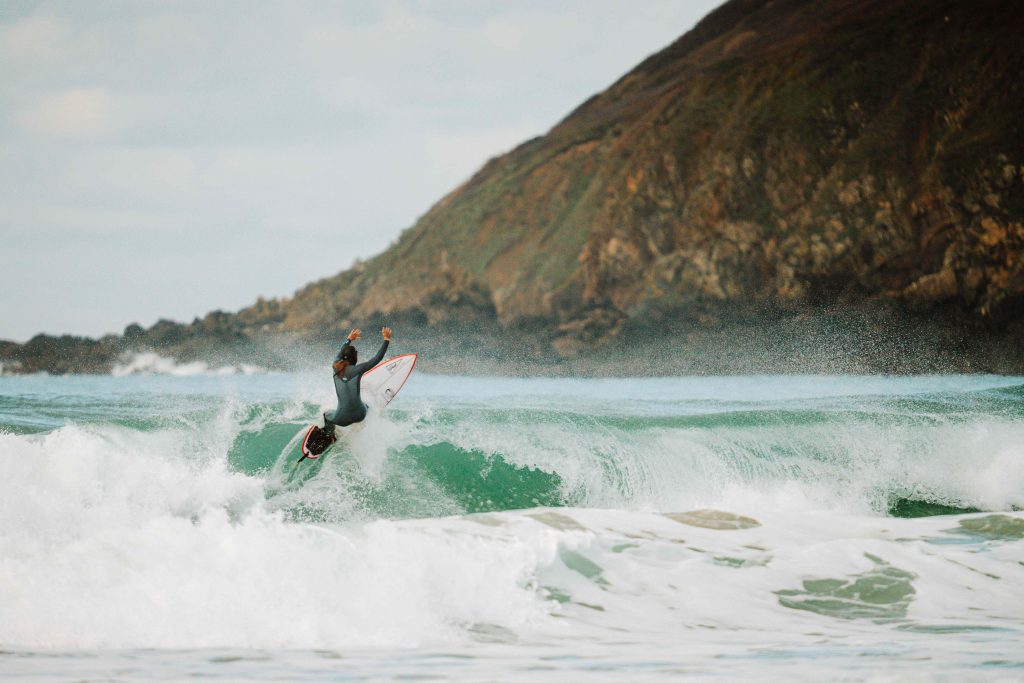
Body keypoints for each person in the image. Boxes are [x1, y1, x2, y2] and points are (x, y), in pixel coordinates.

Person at [322, 326, 392, 438]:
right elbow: (377, 358)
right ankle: (360, 427)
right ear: (355, 358)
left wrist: (348, 339)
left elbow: (340, 353)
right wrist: (386, 340)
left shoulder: (335, 366)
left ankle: (329, 436)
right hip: (360, 415)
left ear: (342, 358)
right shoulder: (359, 369)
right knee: (367, 405)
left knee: (326, 415)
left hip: (341, 418)